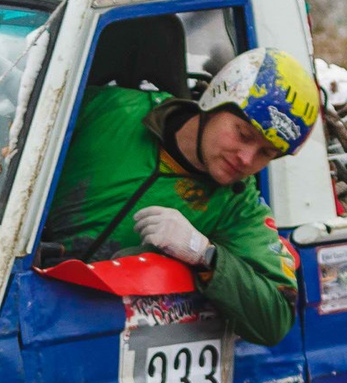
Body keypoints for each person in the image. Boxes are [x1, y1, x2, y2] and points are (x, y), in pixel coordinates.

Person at [39, 46, 318, 347]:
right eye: (243, 134)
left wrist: (204, 254)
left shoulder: (239, 207)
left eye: (266, 153)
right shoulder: (109, 111)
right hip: (21, 299)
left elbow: (276, 316)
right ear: (215, 100)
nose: (247, 158)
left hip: (90, 337)